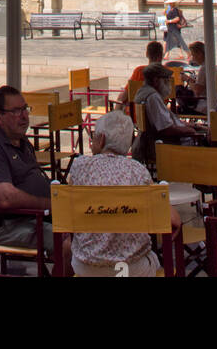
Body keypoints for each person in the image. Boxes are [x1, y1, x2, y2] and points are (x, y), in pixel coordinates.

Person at [66, 110, 181, 277]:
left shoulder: (80, 167)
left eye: (94, 135)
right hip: (130, 270)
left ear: (102, 139)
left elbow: (69, 210)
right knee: (154, 260)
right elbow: (173, 221)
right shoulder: (137, 171)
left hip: (86, 268)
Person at [0, 86, 55, 257]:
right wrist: (51, 205)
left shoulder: (20, 140)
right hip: (6, 226)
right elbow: (7, 199)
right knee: (67, 243)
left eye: (25, 109)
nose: (24, 116)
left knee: (86, 230)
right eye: (16, 111)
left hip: (35, 217)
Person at [132, 64, 206, 165]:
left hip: (156, 141)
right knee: (206, 142)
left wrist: (191, 125)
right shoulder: (152, 97)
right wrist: (189, 130)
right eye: (166, 80)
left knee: (201, 131)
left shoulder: (144, 92)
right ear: (156, 80)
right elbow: (166, 129)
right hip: (165, 144)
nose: (169, 84)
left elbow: (166, 122)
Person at [175, 41, 208, 114]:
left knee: (178, 93)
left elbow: (197, 91)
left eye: (193, 55)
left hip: (204, 105)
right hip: (212, 101)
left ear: (199, 54)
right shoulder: (213, 67)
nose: (192, 58)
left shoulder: (204, 69)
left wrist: (187, 79)